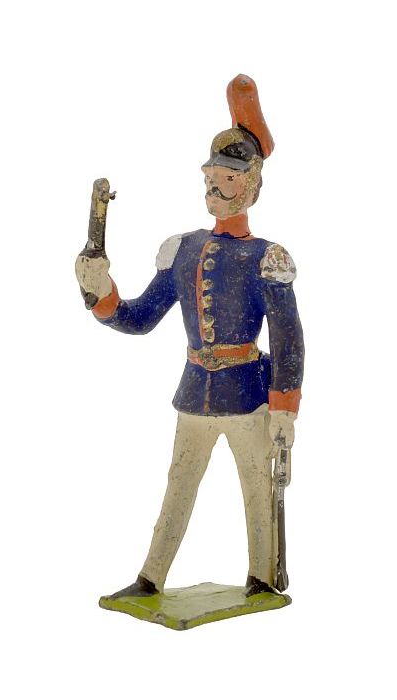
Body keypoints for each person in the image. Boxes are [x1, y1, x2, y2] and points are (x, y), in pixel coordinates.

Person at [75, 74, 304, 598]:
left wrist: (284, 408)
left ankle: (262, 579)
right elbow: (139, 317)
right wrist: (101, 293)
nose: (214, 186)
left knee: (256, 489)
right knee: (178, 487)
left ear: (251, 185)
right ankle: (150, 578)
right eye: (211, 175)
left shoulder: (267, 257)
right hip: (194, 391)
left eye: (227, 178)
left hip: (248, 394)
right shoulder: (182, 249)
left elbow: (288, 338)